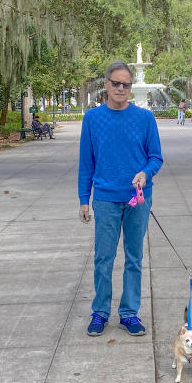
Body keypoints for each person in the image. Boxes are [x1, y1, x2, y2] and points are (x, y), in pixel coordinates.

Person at [79, 60, 164, 337]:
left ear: (131, 87)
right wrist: (84, 198)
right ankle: (100, 312)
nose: (121, 88)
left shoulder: (145, 119)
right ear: (106, 85)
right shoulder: (92, 118)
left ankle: (129, 313)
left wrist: (145, 173)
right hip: (105, 198)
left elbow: (156, 157)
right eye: (115, 83)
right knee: (103, 257)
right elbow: (86, 163)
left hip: (138, 199)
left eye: (126, 84)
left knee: (134, 257)